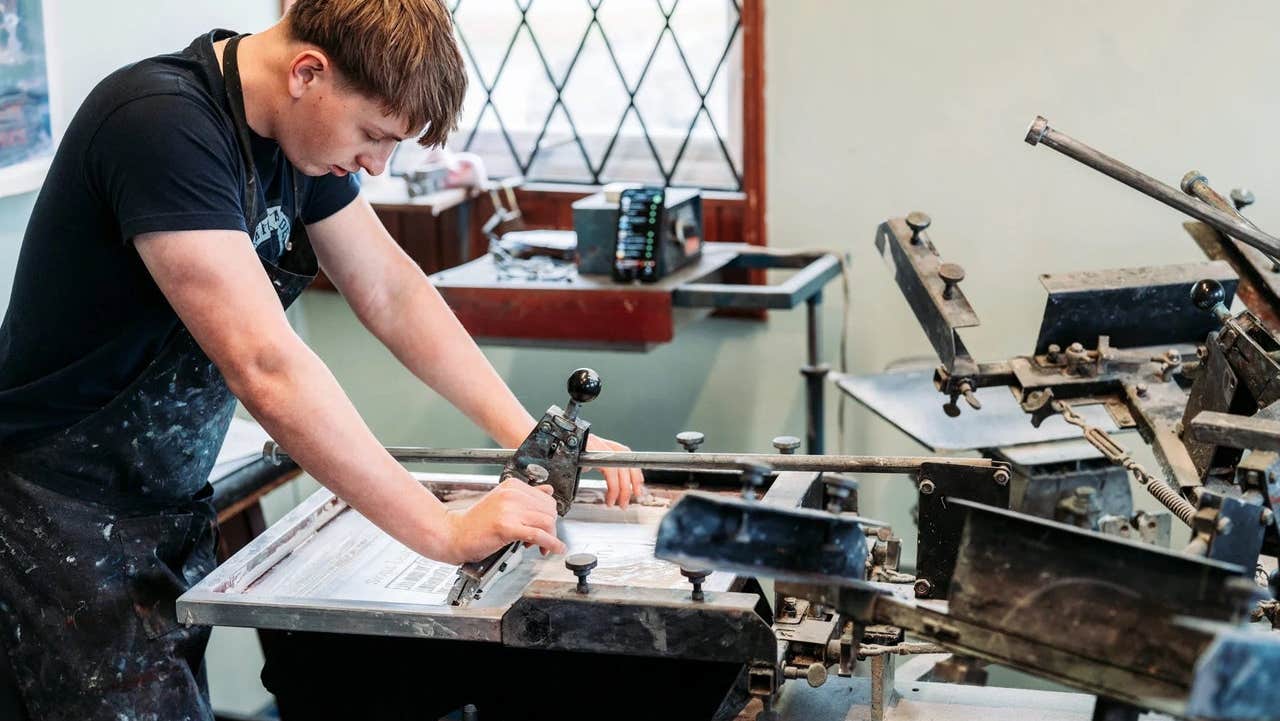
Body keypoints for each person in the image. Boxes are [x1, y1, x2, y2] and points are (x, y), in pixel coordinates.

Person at [0, 1, 643, 718]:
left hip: (161, 502)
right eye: (374, 135)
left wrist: (534, 437)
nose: (376, 164)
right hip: (52, 517)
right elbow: (265, 365)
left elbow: (391, 290)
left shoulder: (293, 133)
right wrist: (443, 531)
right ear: (308, 72)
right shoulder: (159, 125)